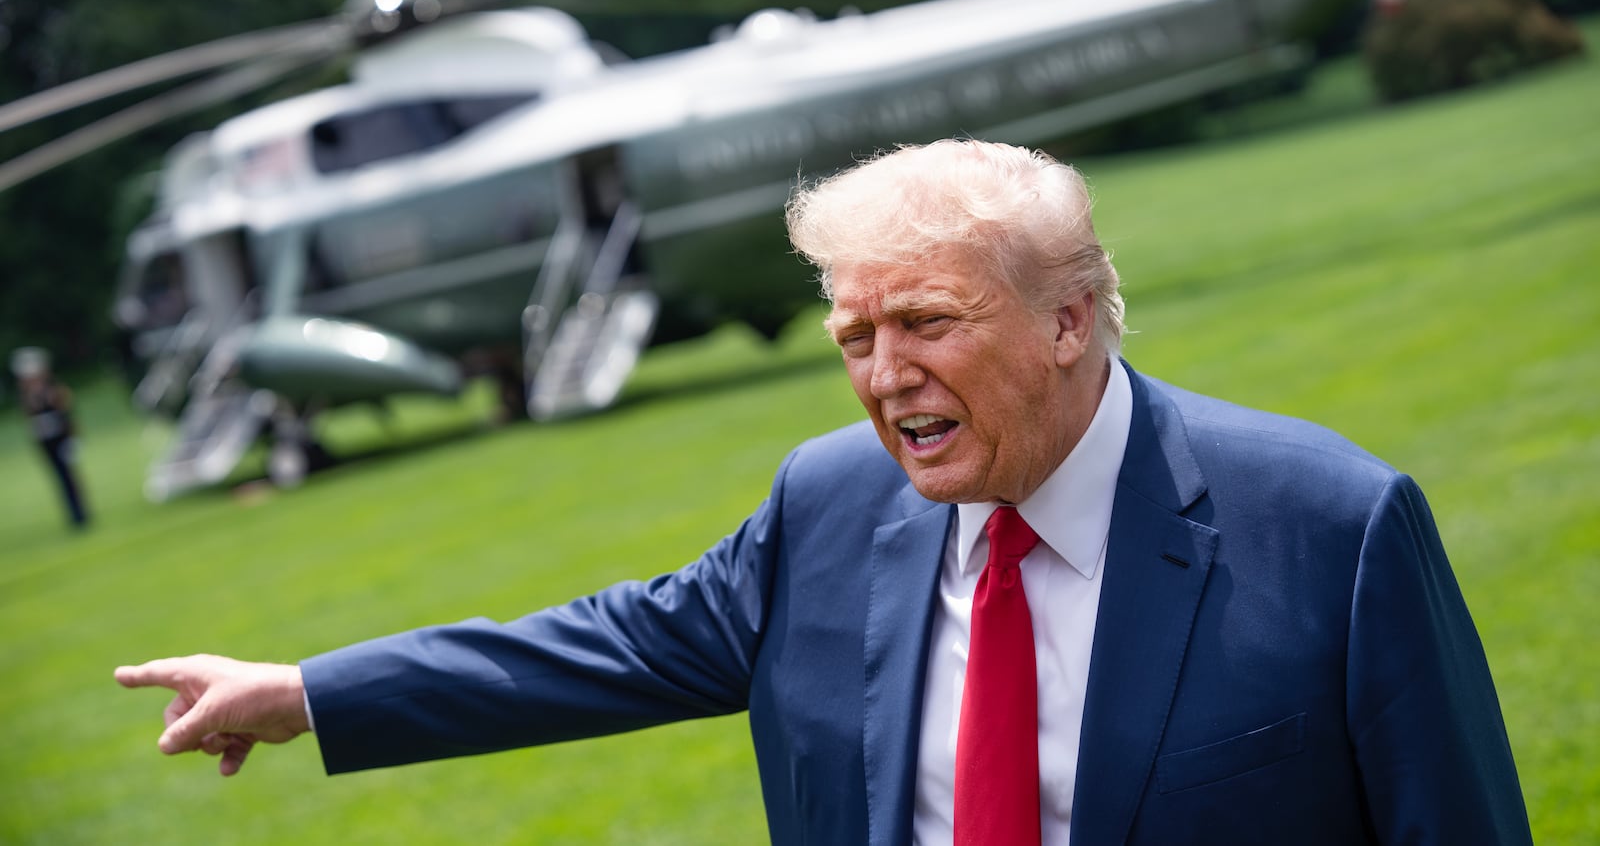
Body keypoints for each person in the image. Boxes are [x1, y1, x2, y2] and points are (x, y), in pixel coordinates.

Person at [116, 140, 1532, 845]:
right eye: (856, 336)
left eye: (925, 322)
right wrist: (310, 692)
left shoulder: (1330, 527)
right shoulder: (833, 502)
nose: (882, 375)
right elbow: (612, 646)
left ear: (1070, 317)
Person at [13, 347, 91, 529]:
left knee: (69, 476)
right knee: (59, 477)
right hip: (44, 441)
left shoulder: (54, 390)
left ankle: (81, 514)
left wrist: (73, 436)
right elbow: (28, 417)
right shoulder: (26, 395)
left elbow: (67, 413)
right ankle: (73, 515)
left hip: (60, 437)